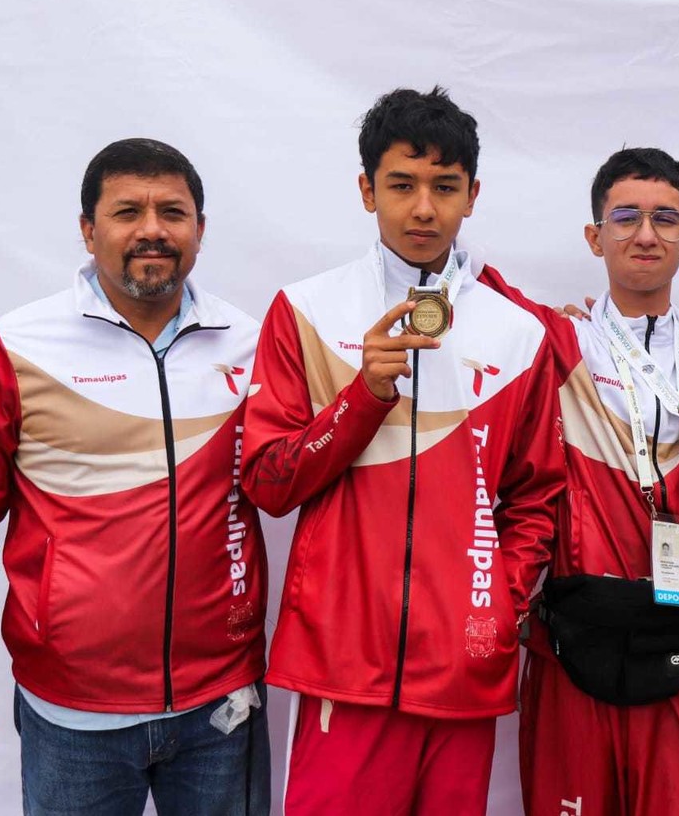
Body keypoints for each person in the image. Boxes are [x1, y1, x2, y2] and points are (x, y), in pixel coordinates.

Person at [0, 138, 270, 815]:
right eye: (128, 210)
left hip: (223, 703)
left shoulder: (250, 343)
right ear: (87, 229)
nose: (153, 228)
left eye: (173, 211)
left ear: (200, 228)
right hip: (74, 714)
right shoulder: (18, 349)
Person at [240, 86, 564, 815]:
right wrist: (364, 395)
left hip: (462, 669)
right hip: (342, 669)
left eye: (444, 187)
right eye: (402, 185)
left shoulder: (518, 334)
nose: (424, 208)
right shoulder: (307, 310)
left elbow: (538, 495)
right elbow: (268, 480)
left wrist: (498, 600)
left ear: (472, 195)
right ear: (366, 190)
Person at [480, 147, 679, 815]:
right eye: (625, 218)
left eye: (664, 219)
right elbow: (476, 277)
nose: (645, 234)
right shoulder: (561, 338)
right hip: (576, 643)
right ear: (595, 236)